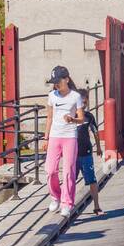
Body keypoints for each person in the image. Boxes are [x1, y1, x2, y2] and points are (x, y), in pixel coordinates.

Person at [44, 65, 84, 214]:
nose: (56, 84)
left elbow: (81, 118)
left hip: (70, 136)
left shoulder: (75, 96)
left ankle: (67, 202)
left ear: (66, 79)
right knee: (50, 170)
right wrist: (46, 138)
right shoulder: (52, 96)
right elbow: (49, 117)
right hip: (55, 136)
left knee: (68, 171)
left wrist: (72, 119)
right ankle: (55, 196)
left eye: (58, 81)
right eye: (54, 82)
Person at [74, 89, 103, 216]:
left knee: (91, 180)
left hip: (86, 152)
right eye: (82, 100)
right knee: (70, 181)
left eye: (86, 100)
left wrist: (98, 147)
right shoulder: (70, 116)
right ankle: (68, 205)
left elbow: (95, 131)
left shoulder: (89, 116)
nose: (84, 103)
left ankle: (96, 206)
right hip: (72, 154)